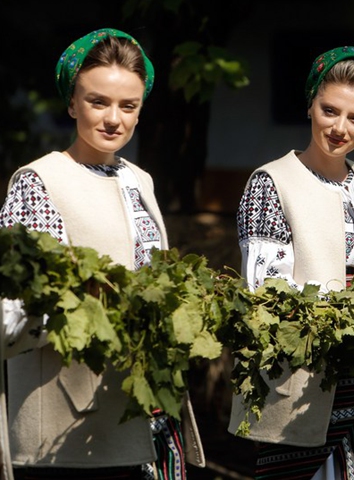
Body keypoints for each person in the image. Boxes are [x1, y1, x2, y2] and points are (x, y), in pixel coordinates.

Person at [0, 28, 204, 479]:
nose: (114, 119)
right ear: (72, 103)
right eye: (98, 102)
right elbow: (13, 314)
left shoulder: (141, 181)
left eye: (127, 106)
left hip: (146, 411)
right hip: (68, 429)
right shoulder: (39, 182)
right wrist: (93, 300)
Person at [230, 46, 354, 480]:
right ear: (310, 105)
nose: (340, 128)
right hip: (314, 380)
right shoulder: (271, 184)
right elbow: (265, 299)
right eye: (329, 110)